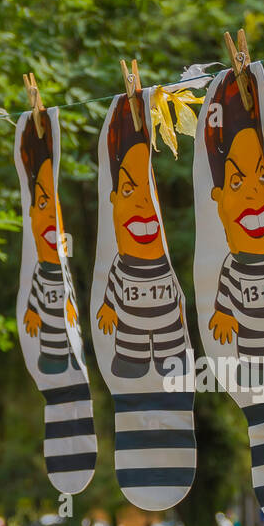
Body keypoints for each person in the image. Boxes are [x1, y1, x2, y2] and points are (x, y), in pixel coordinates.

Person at [204, 71, 264, 387]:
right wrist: (222, 312)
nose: (254, 192)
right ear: (219, 198)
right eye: (237, 181)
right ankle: (256, 373)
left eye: (262, 178)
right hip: (251, 334)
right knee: (256, 363)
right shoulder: (234, 266)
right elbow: (223, 288)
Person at [96, 90, 187, 379]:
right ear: (114, 197)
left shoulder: (162, 263)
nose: (142, 203)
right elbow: (112, 283)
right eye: (128, 190)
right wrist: (110, 306)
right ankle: (130, 363)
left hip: (170, 331)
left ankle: (172, 360)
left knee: (171, 349)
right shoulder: (122, 267)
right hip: (128, 335)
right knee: (130, 353)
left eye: (148, 191)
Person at [18, 110, 80, 375]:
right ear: (32, 211)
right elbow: (34, 291)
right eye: (43, 202)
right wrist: (32, 311)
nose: (52, 212)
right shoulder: (41, 271)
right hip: (48, 345)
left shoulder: (64, 264)